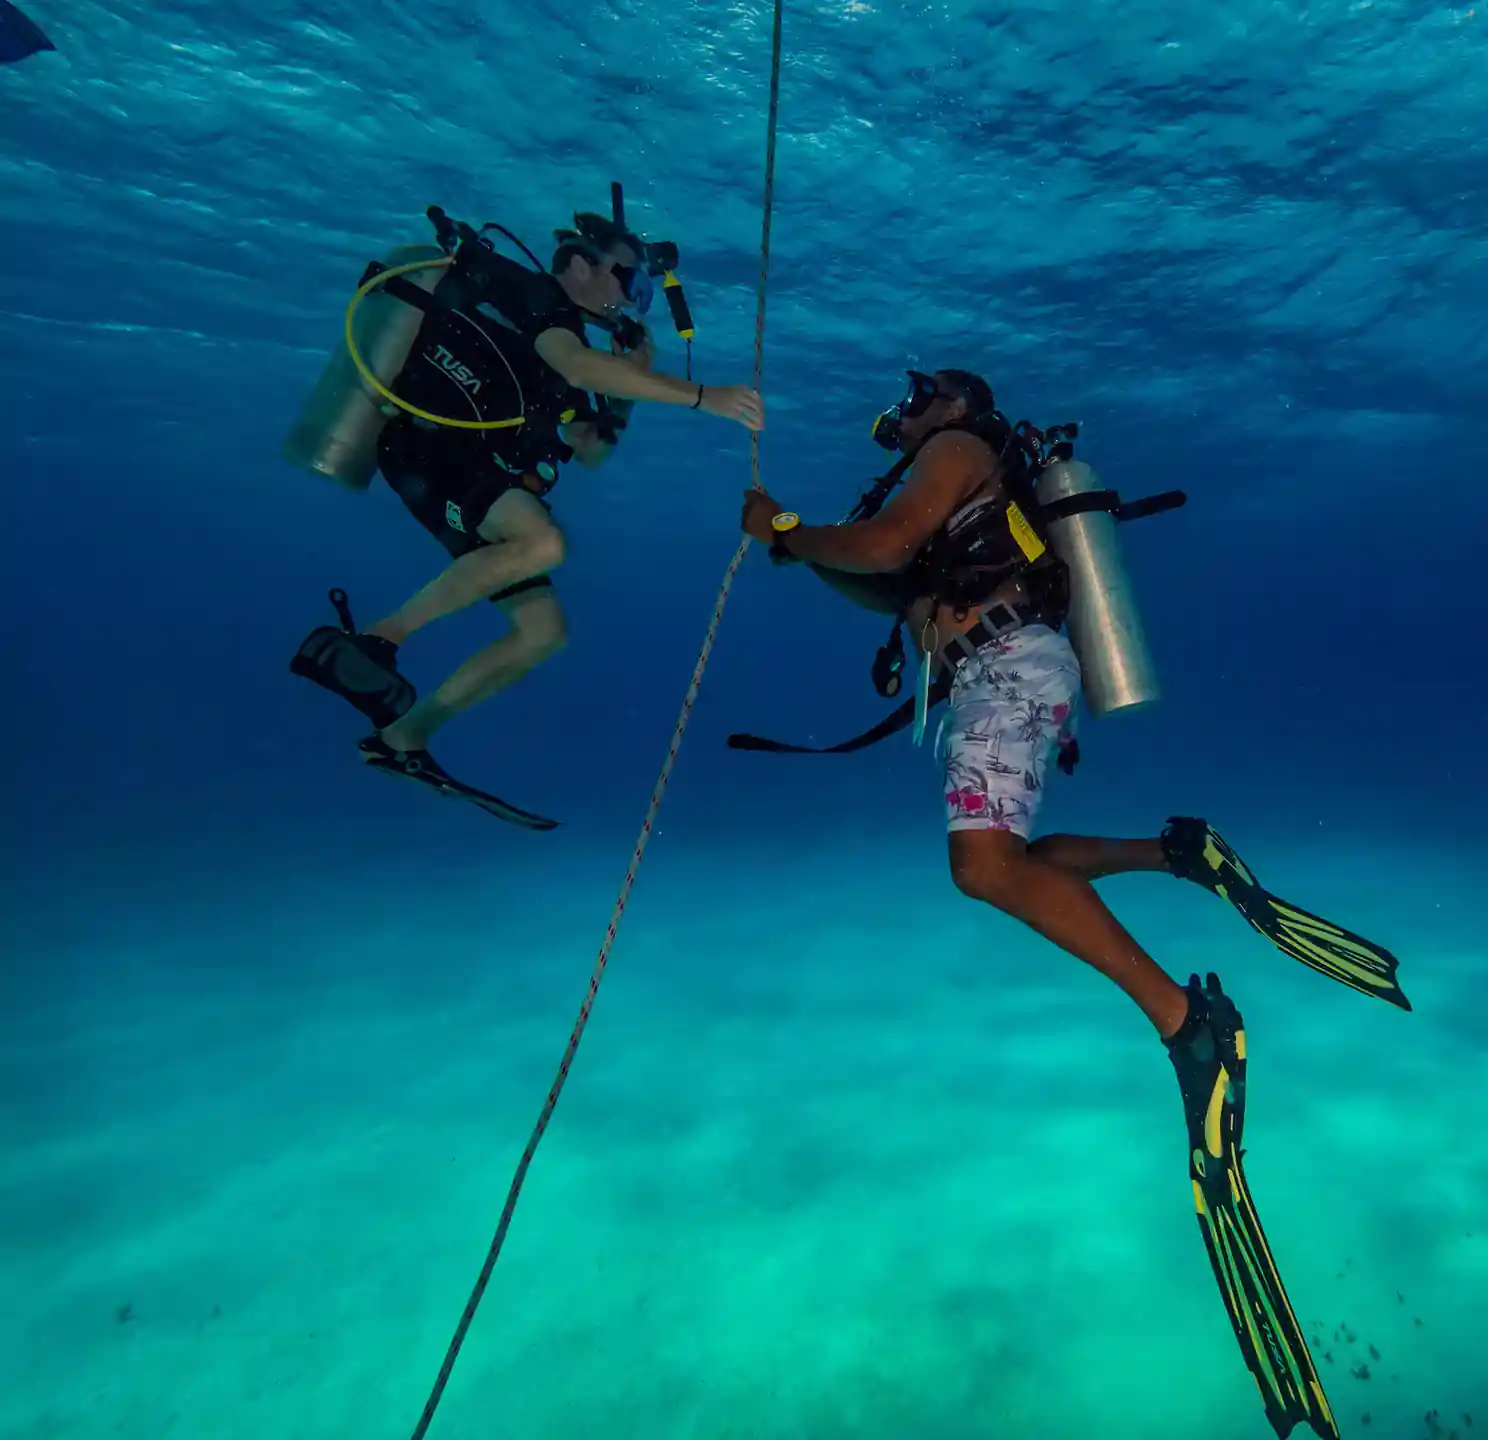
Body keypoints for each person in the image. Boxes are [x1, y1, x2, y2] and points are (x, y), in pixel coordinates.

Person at [736, 367, 1406, 1440]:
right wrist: (808, 548)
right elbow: (881, 575)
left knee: (983, 868)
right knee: (1024, 859)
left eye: (918, 397)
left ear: (951, 406)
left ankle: (1193, 1028)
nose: (903, 413)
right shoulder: (950, 483)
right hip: (1008, 668)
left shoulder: (953, 456)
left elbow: (872, 547)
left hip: (1004, 668)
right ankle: (1177, 852)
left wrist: (788, 529)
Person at [290, 194, 763, 825]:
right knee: (544, 544)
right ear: (579, 266)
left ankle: (403, 738)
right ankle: (377, 640)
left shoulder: (561, 355)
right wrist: (703, 396)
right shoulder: (535, 302)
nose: (634, 298)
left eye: (644, 290)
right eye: (628, 277)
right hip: (431, 457)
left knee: (543, 632)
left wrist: (629, 388)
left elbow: (590, 449)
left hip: (469, 478)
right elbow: (573, 360)